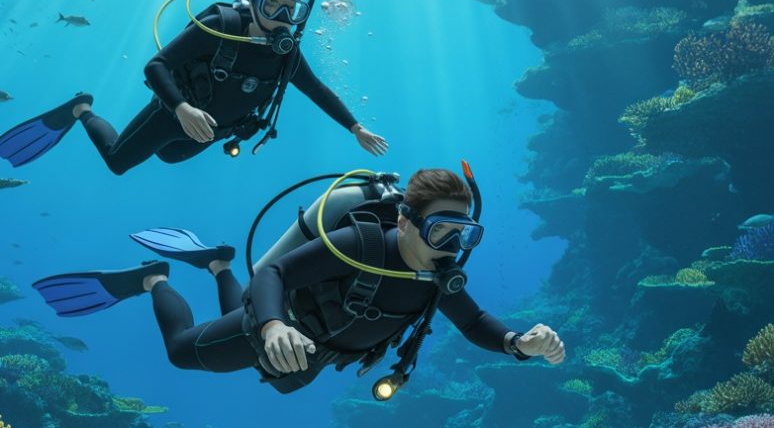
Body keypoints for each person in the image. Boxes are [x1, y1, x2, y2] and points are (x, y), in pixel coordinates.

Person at [33, 167, 565, 396]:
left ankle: (218, 265)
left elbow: (472, 321)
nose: (451, 246)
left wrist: (519, 343)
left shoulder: (439, 273)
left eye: (464, 234)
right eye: (441, 229)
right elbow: (274, 272)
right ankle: (154, 280)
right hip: (280, 327)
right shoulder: (364, 245)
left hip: (316, 352)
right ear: (404, 220)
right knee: (180, 352)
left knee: (285, 383)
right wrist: (269, 328)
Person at [0, 0, 388, 173]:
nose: (283, 16)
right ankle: (82, 108)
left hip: (215, 131)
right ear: (254, 1)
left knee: (169, 159)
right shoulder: (221, 27)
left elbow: (317, 90)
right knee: (117, 163)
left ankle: (154, 133)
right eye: (273, 5)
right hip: (175, 113)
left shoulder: (286, 54)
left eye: (292, 9)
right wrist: (180, 107)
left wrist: (355, 127)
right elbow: (156, 65)